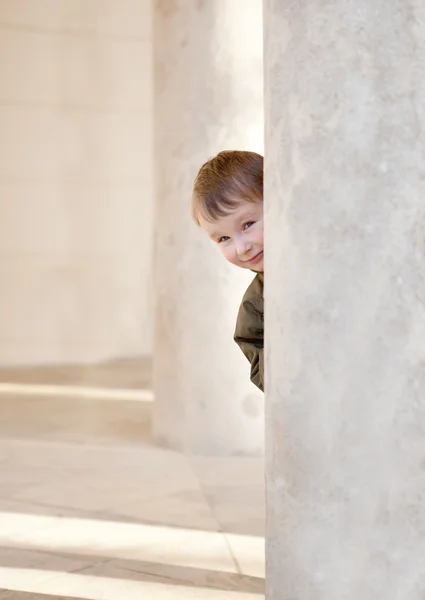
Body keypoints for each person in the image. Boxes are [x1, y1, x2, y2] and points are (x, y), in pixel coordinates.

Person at [191, 150, 264, 391]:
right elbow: (261, 370)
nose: (241, 247)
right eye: (224, 238)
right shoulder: (254, 306)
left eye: (248, 224)